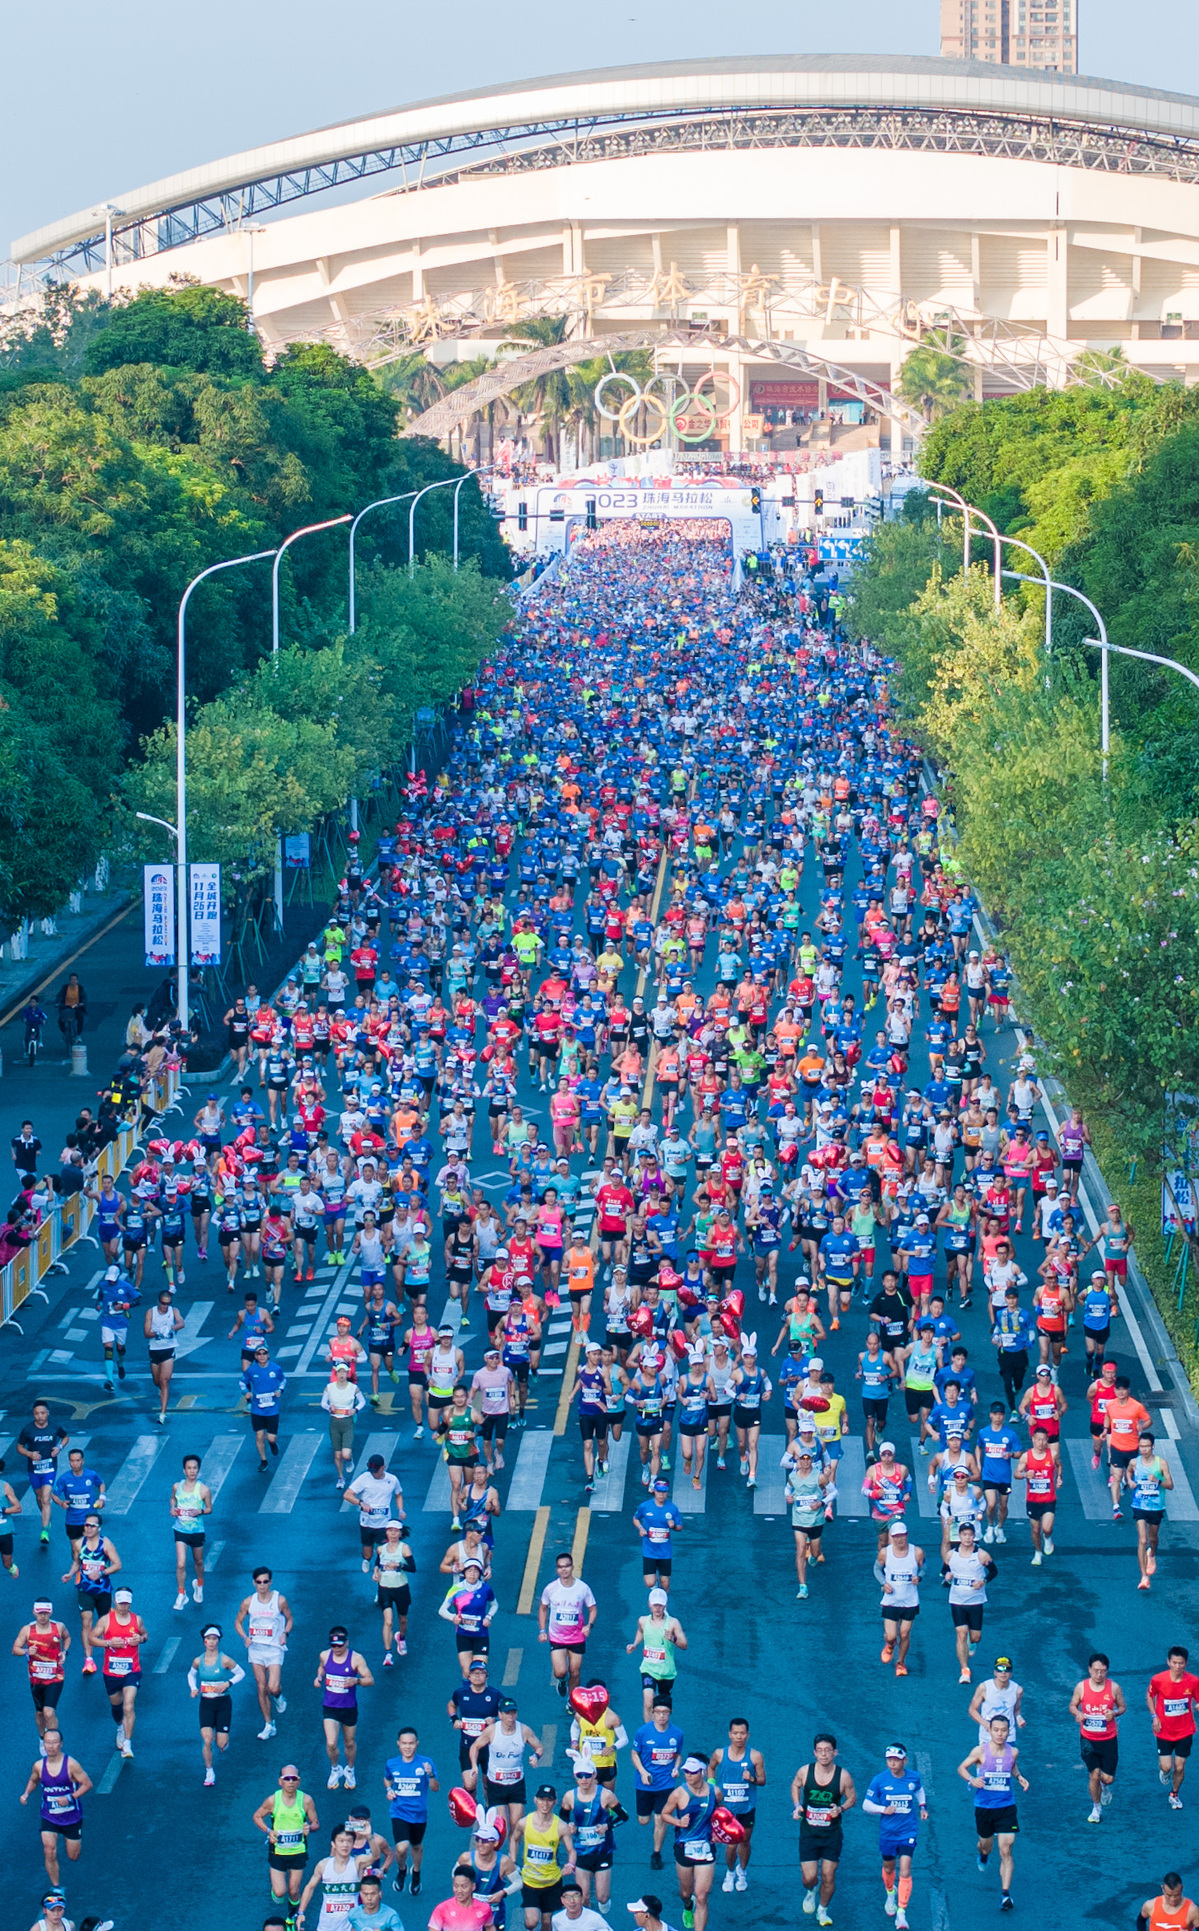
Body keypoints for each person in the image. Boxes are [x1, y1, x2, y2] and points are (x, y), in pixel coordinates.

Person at [958, 1714, 1028, 1911]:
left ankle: (1005, 1895)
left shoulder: (1013, 1752)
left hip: (1006, 1806)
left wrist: (1020, 1777)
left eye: (1003, 1730)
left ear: (1008, 1731)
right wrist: (972, 1780)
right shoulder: (980, 1751)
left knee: (1006, 1848)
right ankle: (983, 1854)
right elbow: (962, 1768)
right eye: (996, 1730)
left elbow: (1012, 1767)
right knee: (986, 1846)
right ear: (990, 1730)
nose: (1000, 1734)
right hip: (984, 1808)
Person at [791, 1732, 854, 1926]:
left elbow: (852, 1797)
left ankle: (823, 1910)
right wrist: (797, 1805)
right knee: (809, 1878)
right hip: (809, 1834)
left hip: (831, 1835)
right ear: (814, 1753)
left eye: (828, 1750)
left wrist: (841, 1808)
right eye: (820, 1751)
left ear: (835, 1752)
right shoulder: (805, 1771)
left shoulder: (843, 1776)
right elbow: (795, 1785)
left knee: (828, 1875)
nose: (824, 1754)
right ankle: (811, 1891)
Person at [862, 1745, 927, 1931]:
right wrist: (883, 1809)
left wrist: (922, 1807)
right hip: (888, 1834)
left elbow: (918, 1790)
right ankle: (890, 1892)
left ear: (904, 1760)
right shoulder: (879, 1780)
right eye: (889, 1759)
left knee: (905, 1870)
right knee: (888, 1868)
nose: (892, 1762)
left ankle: (901, 1914)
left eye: (896, 1759)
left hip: (908, 1832)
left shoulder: (913, 1777)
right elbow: (866, 1804)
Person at [19, 1727, 91, 1888]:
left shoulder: (71, 1765)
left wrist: (70, 1797)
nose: (50, 1746)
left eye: (54, 1743)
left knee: (73, 1856)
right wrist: (26, 1794)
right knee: (49, 1850)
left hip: (71, 1817)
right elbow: (33, 1780)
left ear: (61, 1744)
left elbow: (87, 1784)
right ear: (43, 1744)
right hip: (49, 1816)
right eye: (47, 1743)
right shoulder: (38, 1765)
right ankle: (56, 1887)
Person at [558, 1758, 627, 1910]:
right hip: (581, 1851)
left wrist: (607, 1826)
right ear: (575, 1776)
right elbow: (562, 1816)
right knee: (583, 1898)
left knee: (602, 1897)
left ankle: (604, 1903)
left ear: (594, 1775)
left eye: (587, 1775)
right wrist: (569, 1824)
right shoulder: (570, 1796)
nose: (584, 1779)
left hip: (603, 1851)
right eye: (580, 1775)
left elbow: (624, 1816)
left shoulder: (606, 1795)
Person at [659, 1754, 718, 1931]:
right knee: (686, 1893)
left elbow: (721, 1814)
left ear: (702, 1772)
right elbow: (664, 1814)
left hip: (706, 1848)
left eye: (692, 1772)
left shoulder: (715, 1792)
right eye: (686, 1772)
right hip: (684, 1848)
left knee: (701, 1896)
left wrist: (718, 1832)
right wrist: (678, 1822)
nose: (688, 1776)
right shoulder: (678, 1794)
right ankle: (687, 1906)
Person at [253, 1765, 320, 1916]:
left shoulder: (306, 1800)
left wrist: (310, 1827)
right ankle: (276, 1891)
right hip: (278, 1851)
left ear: (299, 1781)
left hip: (298, 1851)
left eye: (294, 1779)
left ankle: (291, 1916)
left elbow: (316, 1823)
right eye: (287, 1779)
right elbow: (257, 1816)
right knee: (280, 1892)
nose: (291, 1782)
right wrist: (268, 1831)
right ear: (280, 1781)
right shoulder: (272, 1800)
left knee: (294, 1891)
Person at [471, 1694, 544, 1831]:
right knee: (501, 1826)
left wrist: (535, 1756)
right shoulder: (492, 1731)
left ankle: (513, 1853)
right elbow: (475, 1746)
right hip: (496, 1784)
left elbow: (539, 1747)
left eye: (513, 1712)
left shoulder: (524, 1730)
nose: (511, 1716)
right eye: (507, 1713)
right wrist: (474, 1765)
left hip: (516, 1784)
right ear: (500, 1715)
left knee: (516, 1826)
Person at [1069, 1650, 1127, 1823]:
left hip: (1108, 1739)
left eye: (1102, 1671)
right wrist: (1077, 1714)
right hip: (1088, 1739)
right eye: (1095, 1670)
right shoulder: (1081, 1687)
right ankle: (1096, 1808)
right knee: (1093, 1774)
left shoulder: (1114, 1688)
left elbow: (1123, 1707)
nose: (1099, 1674)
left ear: (1107, 1671)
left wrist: (1115, 1713)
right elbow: (1072, 1705)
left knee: (1107, 1778)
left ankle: (1105, 1787)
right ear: (1089, 1669)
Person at [236, 1566, 293, 1739]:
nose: (262, 1585)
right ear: (254, 1583)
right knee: (261, 1686)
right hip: (256, 1649)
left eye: (265, 1582)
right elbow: (238, 1621)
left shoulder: (279, 1600)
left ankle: (279, 1696)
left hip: (274, 1648)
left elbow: (289, 1619)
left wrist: (285, 1633)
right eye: (259, 1582)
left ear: (271, 1582)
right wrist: (244, 1636)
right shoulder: (248, 1602)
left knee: (272, 1687)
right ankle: (269, 1724)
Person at [91, 1584, 147, 1758]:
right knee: (116, 1706)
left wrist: (141, 1639)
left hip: (132, 1671)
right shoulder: (105, 1620)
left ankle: (128, 1744)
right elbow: (91, 1638)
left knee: (129, 1705)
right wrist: (108, 1643)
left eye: (126, 1603)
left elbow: (145, 1635)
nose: (124, 1606)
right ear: (115, 1601)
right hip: (111, 1672)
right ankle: (120, 1726)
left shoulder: (137, 1620)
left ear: (131, 1603)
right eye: (121, 1603)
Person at [316, 1624, 374, 1789]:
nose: (337, 1649)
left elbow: (370, 1679)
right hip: (330, 1707)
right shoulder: (324, 1656)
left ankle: (350, 1769)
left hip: (348, 1708)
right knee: (331, 1743)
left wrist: (356, 1681)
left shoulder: (356, 1659)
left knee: (349, 1743)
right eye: (333, 1646)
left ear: (347, 1643)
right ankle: (335, 1768)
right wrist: (319, 1677)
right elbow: (321, 1668)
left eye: (340, 1646)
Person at [710, 1718, 764, 1894]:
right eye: (735, 1733)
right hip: (727, 1810)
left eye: (742, 1733)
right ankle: (730, 1872)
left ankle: (742, 1871)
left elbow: (763, 1780)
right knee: (730, 1845)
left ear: (747, 1735)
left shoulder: (755, 1756)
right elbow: (711, 1768)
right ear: (730, 1734)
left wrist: (753, 1779)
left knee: (745, 1842)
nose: (739, 1736)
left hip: (747, 1809)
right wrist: (712, 1785)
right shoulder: (719, 1754)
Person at [383, 1724, 439, 1895]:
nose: (408, 1747)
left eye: (411, 1743)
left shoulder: (426, 1763)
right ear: (398, 1744)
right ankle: (401, 1870)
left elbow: (435, 1788)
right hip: (399, 1812)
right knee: (401, 1848)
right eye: (404, 1743)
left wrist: (430, 1775)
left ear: (417, 1744)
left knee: (416, 1846)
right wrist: (389, 1791)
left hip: (419, 1815)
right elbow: (387, 1780)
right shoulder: (392, 1763)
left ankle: (416, 1873)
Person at [188, 1620, 246, 1783]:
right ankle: (209, 1772)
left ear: (218, 1641)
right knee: (207, 1739)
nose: (212, 1642)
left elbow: (241, 1673)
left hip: (223, 1704)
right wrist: (193, 1688)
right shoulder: (198, 1661)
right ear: (204, 1641)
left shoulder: (225, 1660)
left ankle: (224, 1742)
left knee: (221, 1743)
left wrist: (228, 1683)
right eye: (209, 1639)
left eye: (215, 1638)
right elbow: (190, 1675)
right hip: (206, 1704)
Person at [631, 1696, 685, 1870]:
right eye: (658, 1712)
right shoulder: (643, 1732)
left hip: (666, 1784)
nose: (662, 1716)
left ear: (671, 1713)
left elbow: (677, 1754)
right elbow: (634, 1754)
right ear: (652, 1713)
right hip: (644, 1784)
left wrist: (677, 1768)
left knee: (660, 1819)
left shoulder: (677, 1733)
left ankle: (656, 1853)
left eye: (665, 1712)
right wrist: (643, 1771)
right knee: (643, 1820)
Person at [513, 1782, 576, 1931]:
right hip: (530, 1881)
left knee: (547, 1923)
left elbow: (571, 1850)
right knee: (531, 1922)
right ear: (535, 1800)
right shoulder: (524, 1823)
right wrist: (513, 1861)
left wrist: (570, 1865)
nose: (545, 1804)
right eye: (542, 1799)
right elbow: (514, 1839)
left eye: (549, 1800)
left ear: (555, 1802)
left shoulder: (561, 1826)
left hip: (552, 1882)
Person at [538, 1553, 597, 1698]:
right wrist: (542, 1630)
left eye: (566, 1566)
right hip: (557, 1637)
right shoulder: (550, 1589)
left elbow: (593, 1608)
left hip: (577, 1637)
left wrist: (589, 1625)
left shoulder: (582, 1588)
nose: (564, 1570)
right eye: (560, 1567)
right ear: (557, 1569)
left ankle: (572, 1700)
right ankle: (563, 1681)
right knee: (560, 1672)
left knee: (575, 1671)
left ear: (572, 1567)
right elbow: (543, 1608)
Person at [1148, 1647, 1199, 1810]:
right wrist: (1154, 1716)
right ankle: (1164, 1772)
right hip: (1164, 1730)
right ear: (1168, 1662)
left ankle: (1174, 1794)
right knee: (1166, 1766)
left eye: (1181, 1663)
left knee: (1179, 1766)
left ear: (1186, 1663)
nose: (1178, 1666)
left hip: (1185, 1731)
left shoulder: (1193, 1681)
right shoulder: (1158, 1680)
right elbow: (1150, 1696)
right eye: (1174, 1663)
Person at [297, 1822, 372, 1929]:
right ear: (333, 1844)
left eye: (349, 1841)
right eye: (341, 1841)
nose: (345, 1845)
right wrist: (301, 1913)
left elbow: (375, 1856)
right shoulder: (323, 1865)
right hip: (326, 1927)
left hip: (350, 1927)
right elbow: (309, 1887)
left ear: (353, 1844)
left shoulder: (357, 1863)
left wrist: (369, 1835)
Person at [626, 1589, 687, 1719]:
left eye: (660, 1605)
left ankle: (661, 1730)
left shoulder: (673, 1623)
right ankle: (649, 1732)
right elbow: (641, 1631)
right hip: (648, 1669)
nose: (658, 1608)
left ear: (666, 1605)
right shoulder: (643, 1620)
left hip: (667, 1672)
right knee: (648, 1703)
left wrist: (673, 1639)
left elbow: (684, 1645)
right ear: (649, 1604)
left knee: (664, 1708)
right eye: (655, 1605)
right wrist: (635, 1644)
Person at [13, 1598, 70, 1736]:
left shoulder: (59, 1627)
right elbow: (15, 1649)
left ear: (50, 1612)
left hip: (55, 1676)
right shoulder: (27, 1630)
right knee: (39, 1714)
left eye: (45, 1613)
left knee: (49, 1712)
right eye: (40, 1613)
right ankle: (41, 1737)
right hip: (36, 1679)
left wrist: (64, 1652)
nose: (43, 1616)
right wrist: (26, 1651)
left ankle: (53, 1741)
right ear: (34, 1612)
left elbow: (67, 1637)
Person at [1125, 1430, 1174, 1590]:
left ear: (1152, 1447)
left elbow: (1170, 1485)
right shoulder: (1134, 1462)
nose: (1143, 1450)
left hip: (1156, 1506)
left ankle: (1152, 1554)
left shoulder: (1161, 1463)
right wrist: (1130, 1481)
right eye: (1141, 1447)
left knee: (1153, 1538)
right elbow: (1129, 1472)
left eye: (1146, 1447)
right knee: (1142, 1540)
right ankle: (1144, 1577)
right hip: (1139, 1505)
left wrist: (1158, 1480)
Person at [17, 1402, 69, 1545]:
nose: (40, 1416)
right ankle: (45, 1516)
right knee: (39, 1498)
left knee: (46, 1499)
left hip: (50, 1468)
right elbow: (19, 1447)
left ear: (48, 1413)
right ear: (33, 1414)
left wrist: (59, 1447)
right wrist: (29, 1453)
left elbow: (65, 1437)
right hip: (34, 1469)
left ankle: (44, 1530)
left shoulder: (54, 1427)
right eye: (36, 1413)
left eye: (42, 1413)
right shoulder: (27, 1430)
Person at [877, 1521, 923, 1677]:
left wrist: (919, 1577)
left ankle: (900, 1663)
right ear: (892, 1537)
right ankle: (890, 1645)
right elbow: (877, 1568)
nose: (899, 1540)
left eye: (902, 1536)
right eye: (896, 1537)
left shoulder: (916, 1552)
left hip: (910, 1601)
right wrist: (883, 1583)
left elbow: (924, 1567)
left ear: (907, 1535)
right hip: (891, 1600)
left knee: (904, 1634)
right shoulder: (885, 1553)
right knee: (891, 1636)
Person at [170, 1452, 212, 1609]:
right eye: (189, 1468)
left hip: (196, 1530)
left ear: (198, 1470)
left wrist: (200, 1512)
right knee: (181, 1564)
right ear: (184, 1471)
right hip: (180, 1529)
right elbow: (173, 1498)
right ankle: (181, 1594)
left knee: (198, 1561)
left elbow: (209, 1508)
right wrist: (172, 1508)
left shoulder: (203, 1490)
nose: (192, 1471)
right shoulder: (177, 1486)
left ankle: (199, 1584)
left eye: (195, 1468)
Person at [373, 1520, 416, 1664]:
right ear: (386, 1532)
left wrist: (399, 1565)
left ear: (400, 1533)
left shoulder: (404, 1549)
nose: (393, 1534)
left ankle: (401, 1638)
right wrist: (375, 1572)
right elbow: (378, 1563)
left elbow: (413, 1567)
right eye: (390, 1531)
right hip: (385, 1588)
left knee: (402, 1620)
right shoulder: (381, 1549)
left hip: (401, 1588)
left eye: (396, 1531)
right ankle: (388, 1654)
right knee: (388, 1621)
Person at [243, 1343, 287, 1470]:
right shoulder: (251, 1370)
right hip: (257, 1409)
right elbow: (242, 1382)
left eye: (264, 1354)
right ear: (256, 1356)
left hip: (272, 1409)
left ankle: (273, 1444)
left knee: (271, 1438)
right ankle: (263, 1461)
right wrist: (246, 1392)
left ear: (268, 1355)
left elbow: (283, 1380)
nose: (262, 1356)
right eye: (259, 1354)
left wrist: (280, 1390)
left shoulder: (276, 1368)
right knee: (259, 1435)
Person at [144, 1289, 185, 1422]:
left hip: (168, 1349)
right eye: (163, 1303)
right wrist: (158, 1333)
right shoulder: (151, 1312)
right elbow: (146, 1333)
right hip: (155, 1350)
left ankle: (162, 1413)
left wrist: (172, 1328)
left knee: (164, 1381)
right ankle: (160, 1392)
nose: (165, 1306)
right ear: (158, 1302)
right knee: (157, 1382)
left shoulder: (174, 1311)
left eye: (168, 1303)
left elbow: (181, 1323)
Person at [427, 1868, 496, 1931]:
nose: (459, 1890)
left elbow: (490, 1927)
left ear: (473, 1886)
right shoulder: (442, 1908)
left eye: (464, 1886)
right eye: (456, 1886)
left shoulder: (485, 1908)